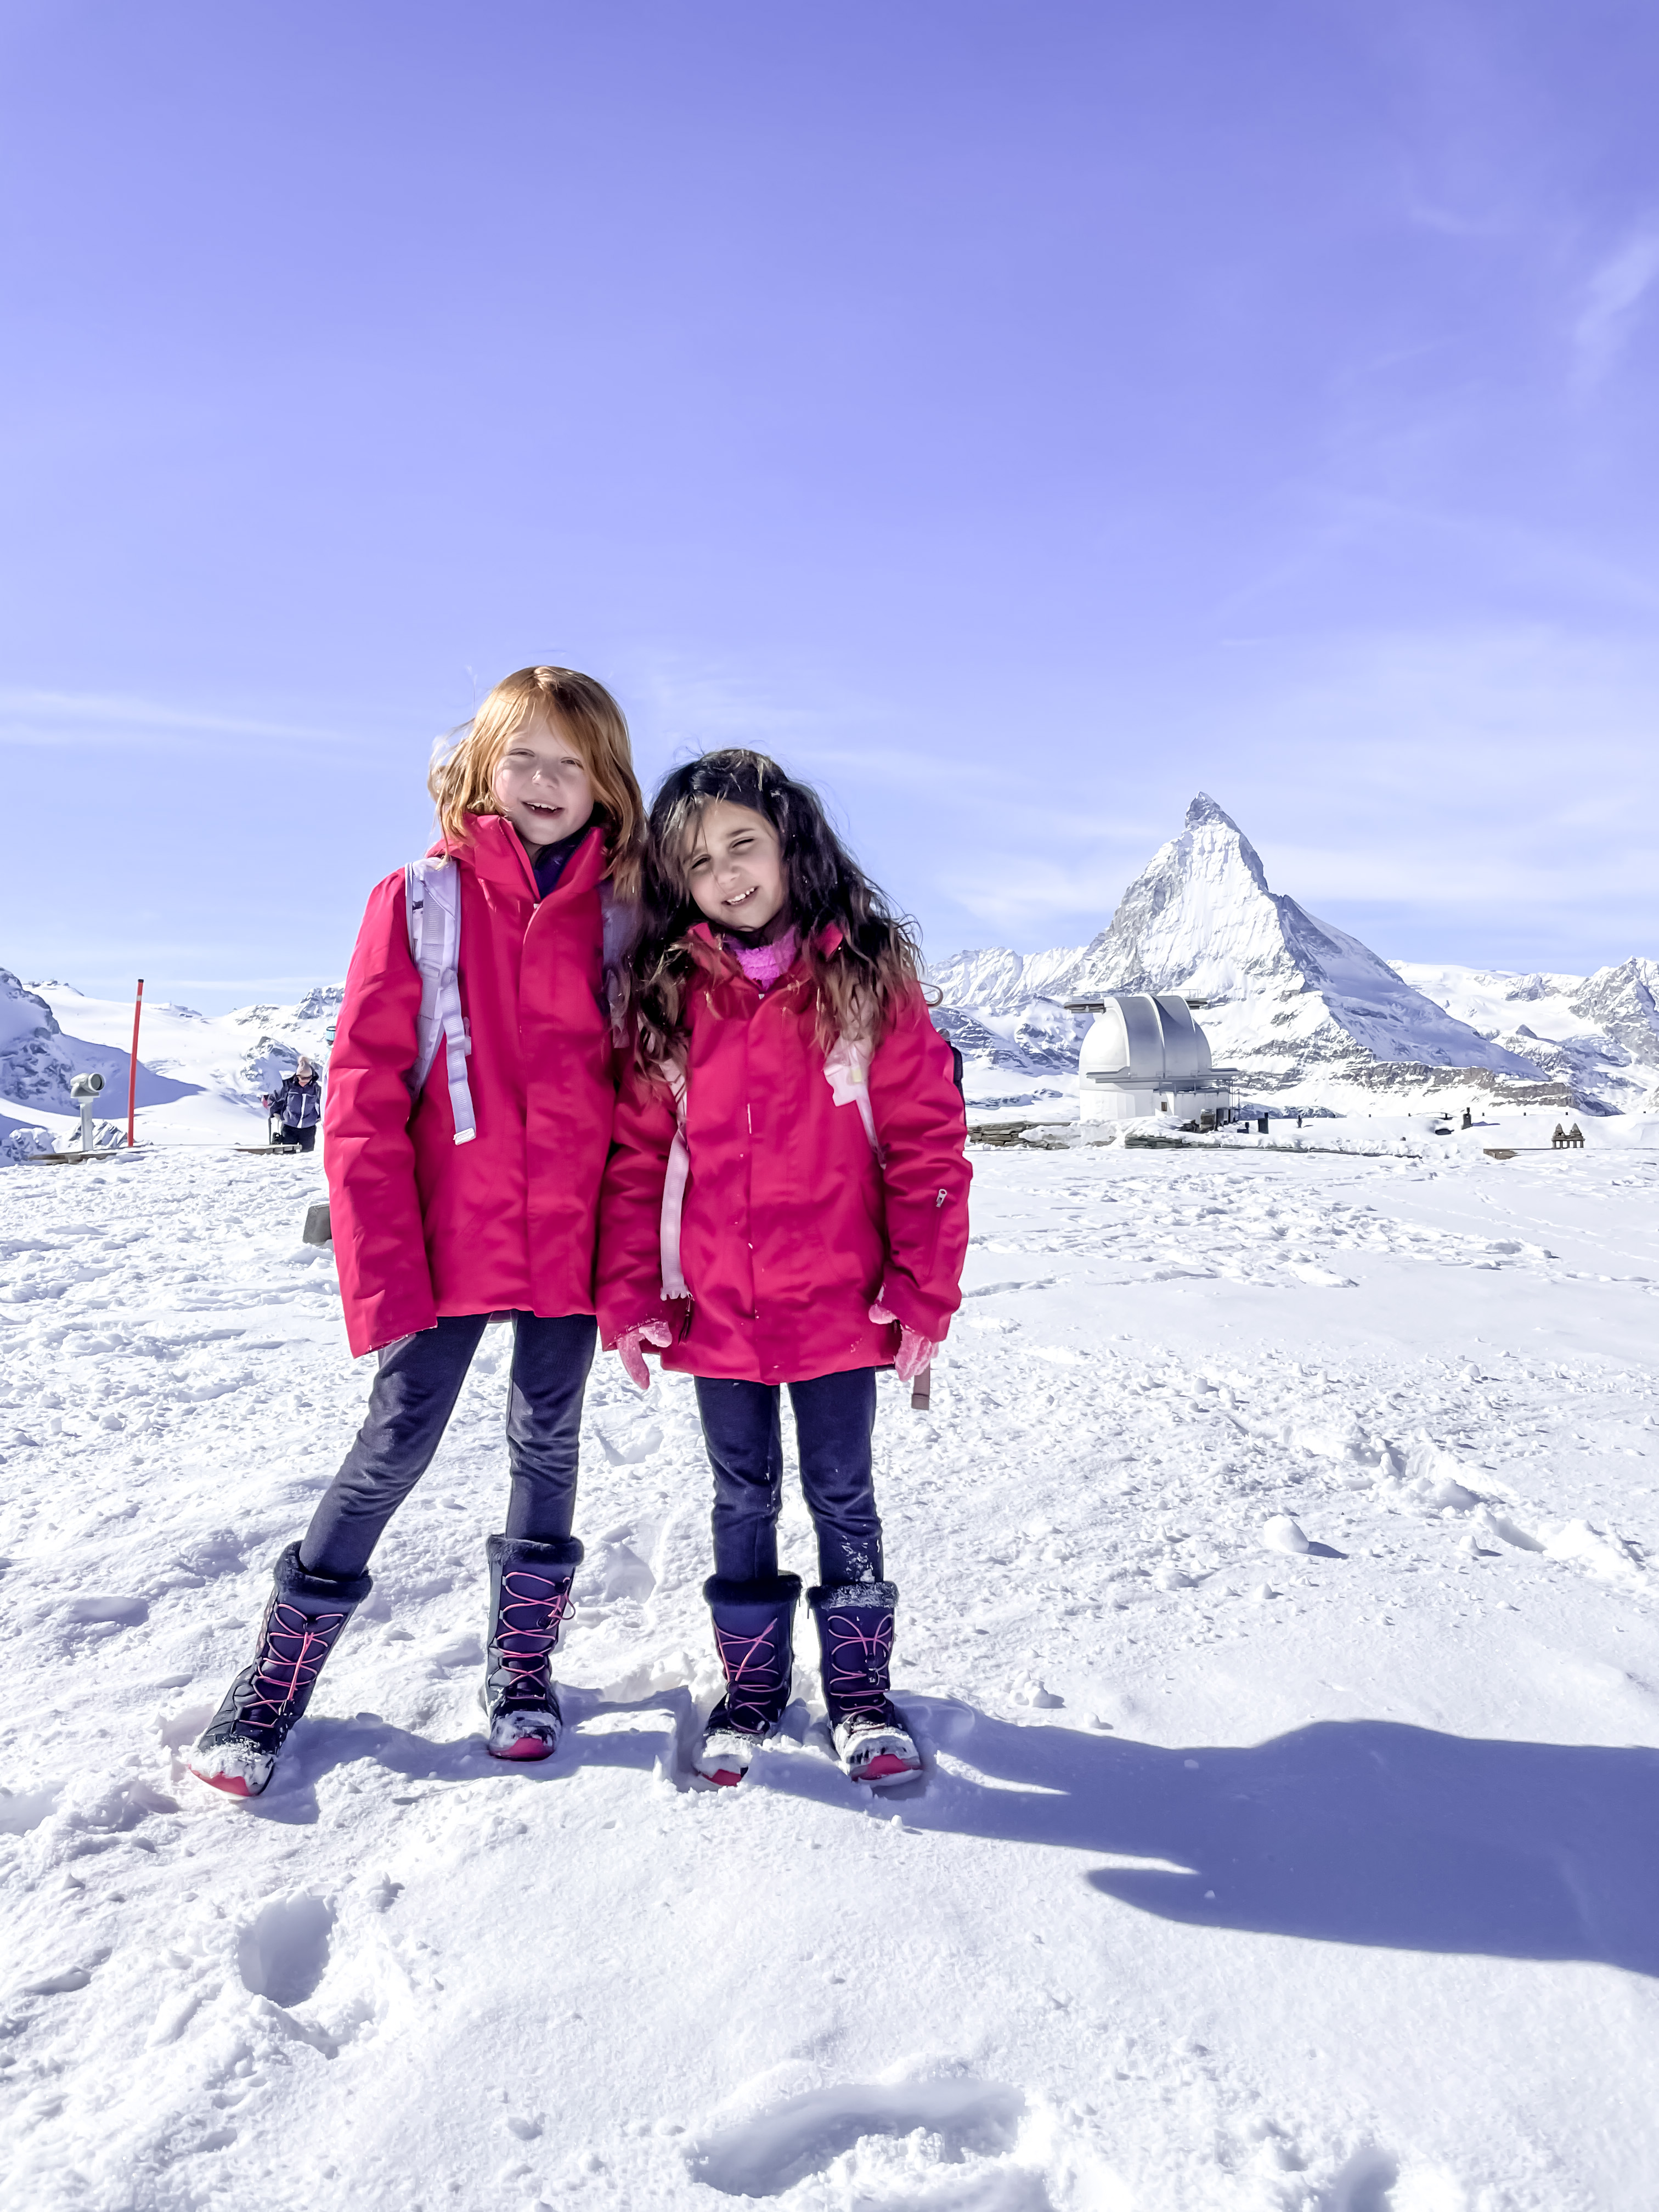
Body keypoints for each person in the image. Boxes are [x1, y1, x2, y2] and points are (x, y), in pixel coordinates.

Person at [188, 667, 644, 1798]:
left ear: (607, 784)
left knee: (550, 1437)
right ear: (486, 766)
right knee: (397, 1438)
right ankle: (276, 1678)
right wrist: (382, 1266)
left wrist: (635, 1258)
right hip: (449, 1238)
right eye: (523, 759)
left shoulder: (630, 919)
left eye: (570, 765)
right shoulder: (420, 899)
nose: (545, 784)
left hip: (571, 1243)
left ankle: (523, 1665)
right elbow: (363, 1097)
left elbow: (648, 1100)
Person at [597, 750, 969, 1790]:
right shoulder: (669, 996)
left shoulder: (862, 981)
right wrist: (630, 1291)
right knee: (740, 1492)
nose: (725, 874)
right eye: (699, 861)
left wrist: (921, 1289)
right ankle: (752, 1691)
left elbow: (926, 1142)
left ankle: (858, 1694)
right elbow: (635, 1161)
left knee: (843, 1491)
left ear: (789, 845)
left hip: (840, 1305)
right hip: (714, 1308)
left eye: (741, 844)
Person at [264, 1057, 323, 1151]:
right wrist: (275, 1112)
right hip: (289, 1127)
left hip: (308, 1128)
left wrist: (322, 1116)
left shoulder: (316, 1089)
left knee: (306, 1157)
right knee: (288, 1156)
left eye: (308, 1078)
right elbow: (273, 1099)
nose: (305, 1081)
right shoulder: (288, 1086)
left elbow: (324, 1102)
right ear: (297, 1076)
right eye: (303, 1078)